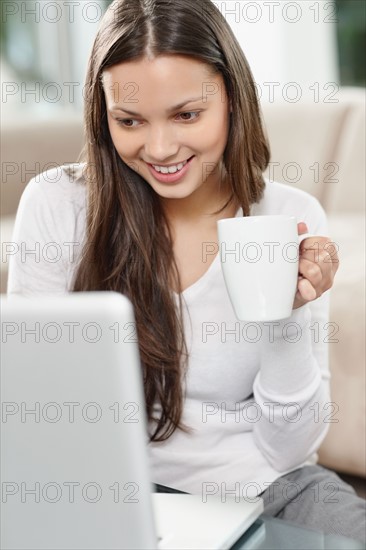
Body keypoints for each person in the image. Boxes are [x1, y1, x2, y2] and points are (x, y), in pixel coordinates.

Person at [7, 0, 365, 543]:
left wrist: (288, 315)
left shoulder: (286, 219)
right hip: (109, 489)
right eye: (129, 121)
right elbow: (33, 409)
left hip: (268, 485)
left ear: (231, 97)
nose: (159, 148)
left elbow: (288, 451)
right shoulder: (59, 203)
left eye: (186, 115)